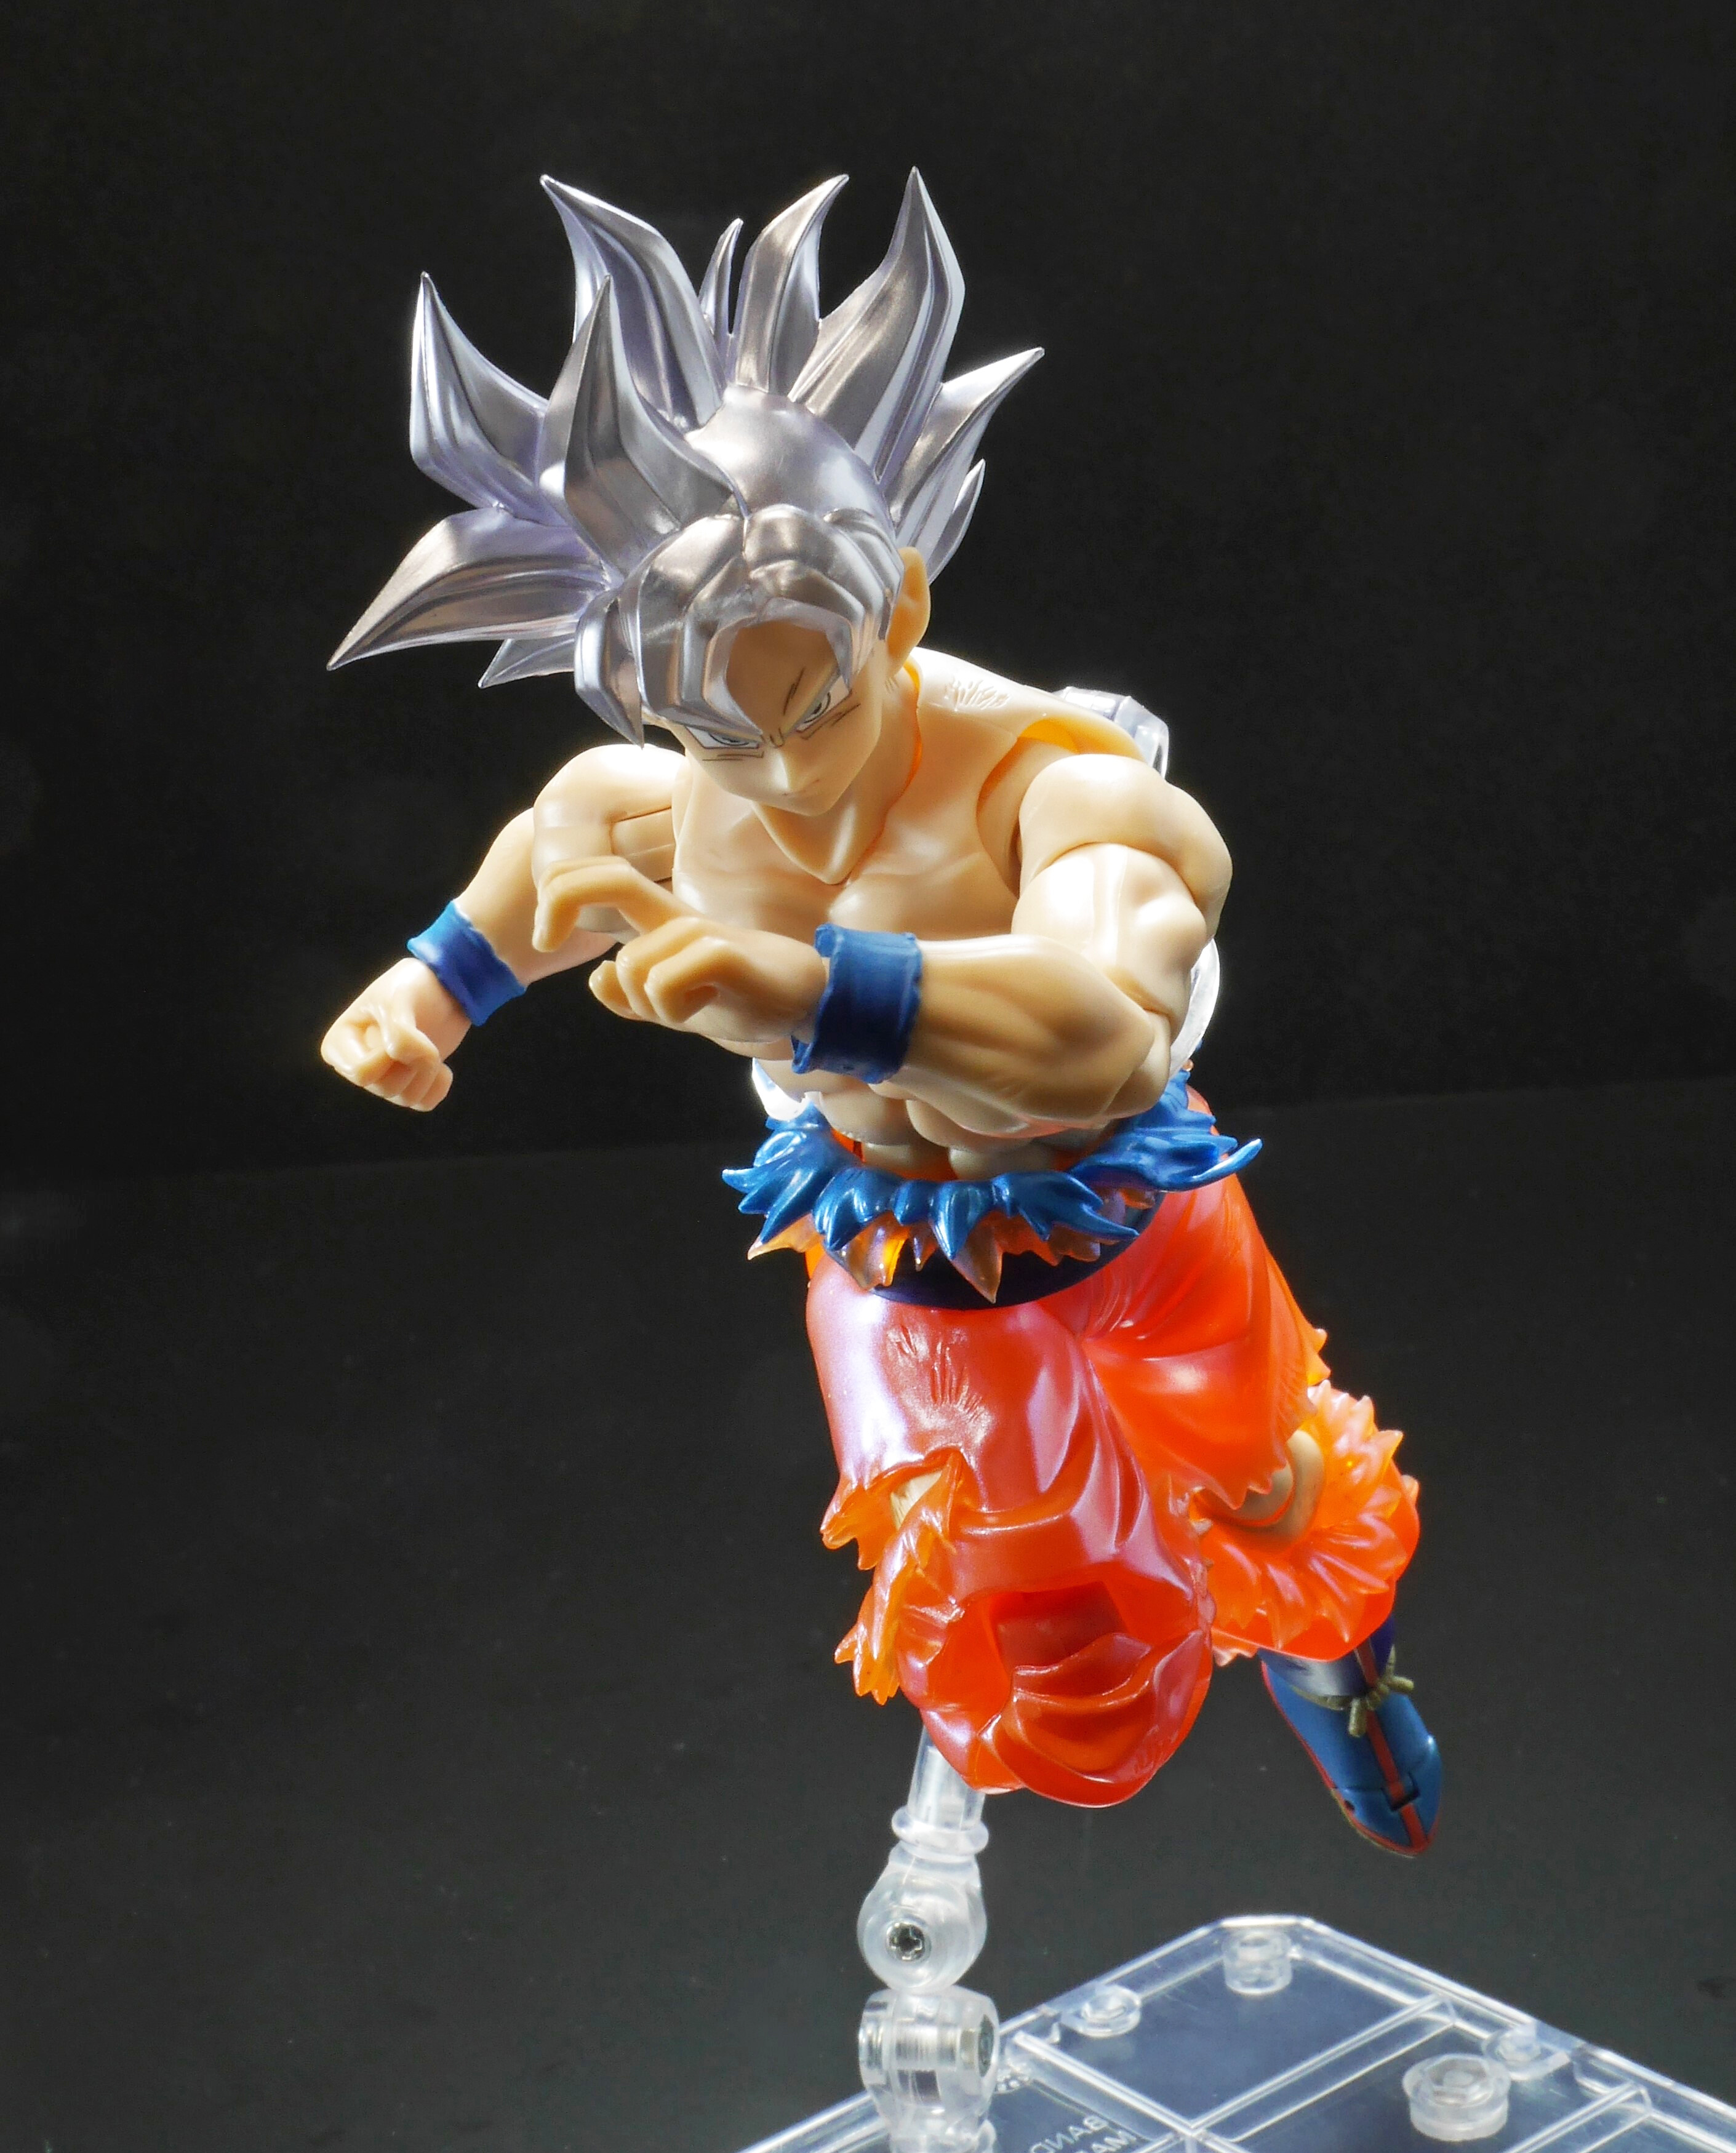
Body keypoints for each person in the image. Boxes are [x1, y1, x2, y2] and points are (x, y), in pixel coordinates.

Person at [322, 172, 1440, 1854]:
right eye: (714, 730)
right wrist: (425, 994)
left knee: (1279, 1499)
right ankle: (1085, 1658)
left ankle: (1336, 1666)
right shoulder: (665, 797)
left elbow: (1104, 1034)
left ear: (896, 605)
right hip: (910, 1271)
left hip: (1133, 1221)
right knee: (1063, 1682)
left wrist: (810, 988)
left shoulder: (1060, 790)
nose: (776, 771)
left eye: (811, 699)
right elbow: (547, 862)